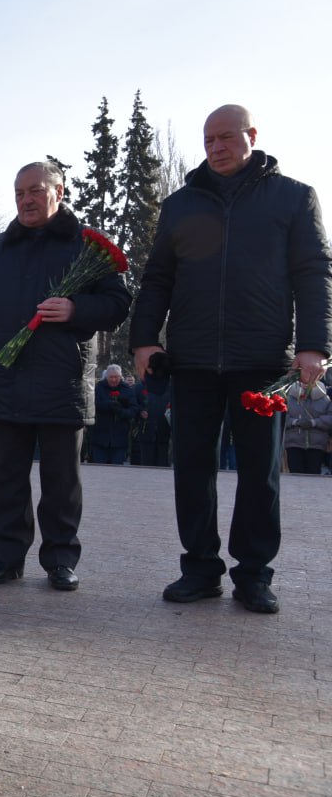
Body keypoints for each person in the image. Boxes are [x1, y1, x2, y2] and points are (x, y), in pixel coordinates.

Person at [131, 104, 332, 615]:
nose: (216, 148)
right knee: (191, 467)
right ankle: (199, 568)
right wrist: (144, 341)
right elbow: (157, 278)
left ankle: (253, 575)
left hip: (263, 361)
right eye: (208, 140)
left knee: (260, 471)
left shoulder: (293, 198)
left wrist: (314, 345)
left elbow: (314, 273)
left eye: (225, 137)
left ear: (251, 136)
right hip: (193, 360)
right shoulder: (180, 206)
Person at [0, 161, 131, 591]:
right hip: (5, 379)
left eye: (35, 190)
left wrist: (77, 311)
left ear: (58, 191)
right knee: (8, 480)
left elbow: (117, 304)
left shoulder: (86, 247)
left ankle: (60, 559)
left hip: (64, 381)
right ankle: (6, 557)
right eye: (19, 192)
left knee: (61, 481)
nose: (26, 199)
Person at [282, 379, 332, 475]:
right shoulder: (289, 397)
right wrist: (295, 422)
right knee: (295, 474)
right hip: (293, 443)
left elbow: (330, 418)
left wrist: (314, 423)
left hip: (317, 445)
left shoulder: (325, 399)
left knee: (314, 474)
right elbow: (282, 417)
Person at [90, 364, 137, 464]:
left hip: (119, 439)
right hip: (100, 438)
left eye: (116, 377)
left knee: (116, 471)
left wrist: (121, 412)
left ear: (120, 377)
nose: (114, 380)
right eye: (111, 377)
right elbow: (92, 404)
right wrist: (108, 404)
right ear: (106, 377)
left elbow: (133, 410)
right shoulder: (99, 388)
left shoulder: (127, 390)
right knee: (99, 470)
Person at [132, 353, 173, 467]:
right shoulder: (139, 387)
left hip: (164, 430)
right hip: (146, 430)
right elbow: (132, 405)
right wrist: (140, 411)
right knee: (146, 463)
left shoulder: (169, 387)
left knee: (163, 463)